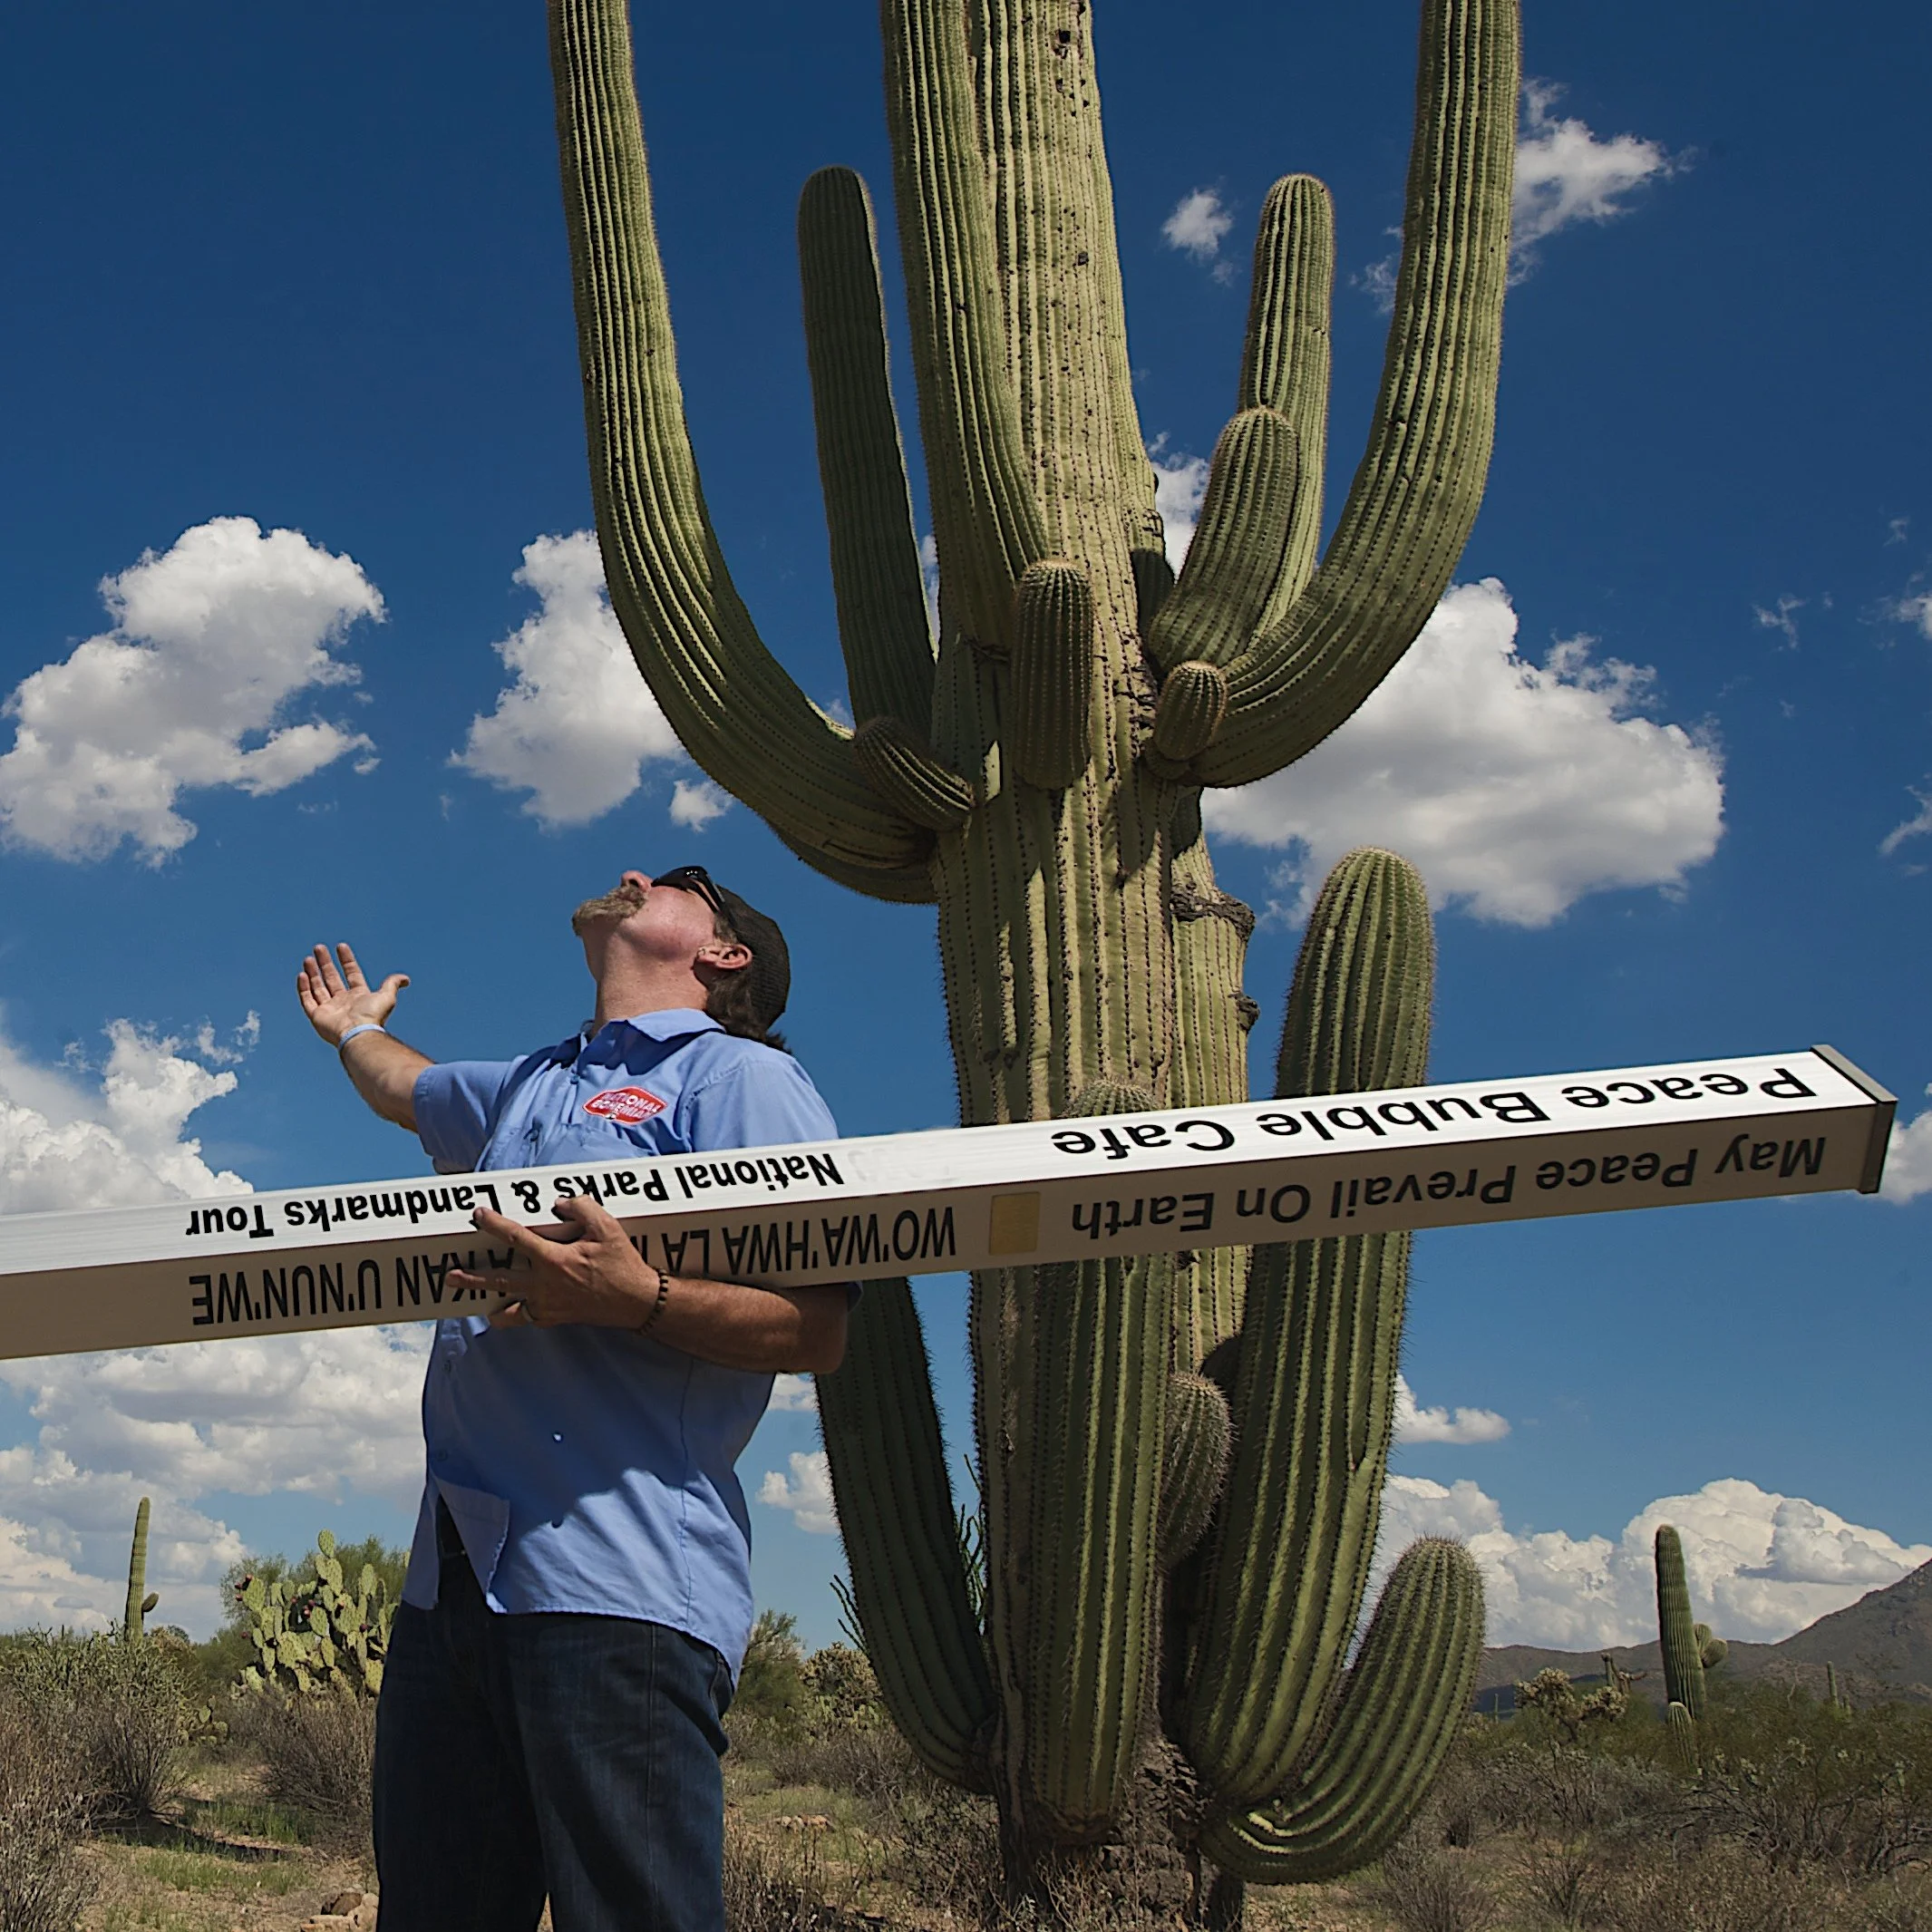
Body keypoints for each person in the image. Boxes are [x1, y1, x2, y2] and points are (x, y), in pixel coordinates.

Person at [296, 865, 850, 1932]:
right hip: (451, 1584)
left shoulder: (738, 1079)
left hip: (616, 1582)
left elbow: (817, 1323)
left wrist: (635, 1296)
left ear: (722, 953)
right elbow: (407, 1087)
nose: (633, 874)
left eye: (675, 881)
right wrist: (352, 1031)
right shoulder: (533, 1082)